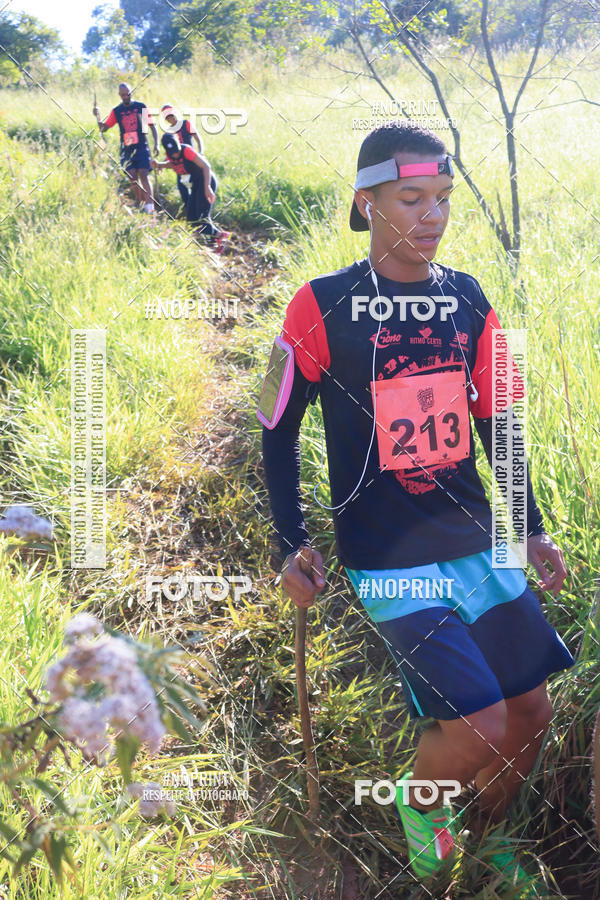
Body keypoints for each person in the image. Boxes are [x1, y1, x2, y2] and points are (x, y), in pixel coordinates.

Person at [258, 122, 574, 894]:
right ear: (366, 203)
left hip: (473, 539)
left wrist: (527, 527)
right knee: (475, 725)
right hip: (390, 554)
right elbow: (274, 428)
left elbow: (500, 419)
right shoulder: (320, 305)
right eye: (411, 198)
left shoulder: (468, 299)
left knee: (530, 712)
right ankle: (427, 833)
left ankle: (494, 848)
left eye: (442, 198)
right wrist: (289, 543)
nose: (431, 215)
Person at [151, 133, 230, 253]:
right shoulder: (170, 154)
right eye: (172, 153)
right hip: (194, 185)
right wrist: (159, 165)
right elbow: (173, 164)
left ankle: (221, 236)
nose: (176, 154)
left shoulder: (186, 150)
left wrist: (207, 188)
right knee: (191, 217)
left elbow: (206, 166)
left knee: (202, 217)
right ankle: (204, 242)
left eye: (176, 151)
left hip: (205, 182)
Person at [94, 82, 158, 214]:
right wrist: (97, 116)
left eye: (127, 94)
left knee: (144, 175)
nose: (125, 97)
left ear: (131, 92)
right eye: (123, 95)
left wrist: (156, 143)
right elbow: (104, 128)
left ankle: (150, 208)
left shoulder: (140, 107)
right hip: (126, 149)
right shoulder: (117, 111)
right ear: (119, 95)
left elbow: (152, 125)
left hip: (141, 146)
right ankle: (141, 206)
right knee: (132, 177)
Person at [160, 104, 203, 206]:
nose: (170, 118)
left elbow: (198, 138)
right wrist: (161, 164)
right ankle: (189, 211)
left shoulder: (186, 124)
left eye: (171, 115)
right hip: (179, 164)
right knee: (182, 189)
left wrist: (201, 152)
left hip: (192, 160)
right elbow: (169, 152)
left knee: (195, 186)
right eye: (167, 117)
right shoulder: (168, 132)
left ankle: (198, 209)